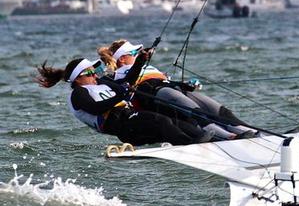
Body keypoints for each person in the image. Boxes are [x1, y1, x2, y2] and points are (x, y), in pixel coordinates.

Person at [35, 57, 216, 146]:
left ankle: (205, 139)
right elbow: (96, 108)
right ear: (79, 78)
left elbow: (127, 81)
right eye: (90, 73)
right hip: (120, 124)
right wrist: (120, 95)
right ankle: (192, 144)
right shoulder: (79, 93)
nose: (95, 75)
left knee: (174, 120)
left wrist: (140, 61)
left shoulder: (101, 83)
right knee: (162, 122)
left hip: (131, 119)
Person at [97, 40, 255, 140]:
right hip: (153, 95)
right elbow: (126, 86)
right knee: (194, 109)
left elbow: (164, 81)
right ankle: (231, 136)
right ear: (122, 58)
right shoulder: (116, 75)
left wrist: (185, 84)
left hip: (168, 89)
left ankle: (247, 130)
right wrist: (139, 63)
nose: (138, 54)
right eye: (134, 53)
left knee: (215, 108)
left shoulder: (147, 66)